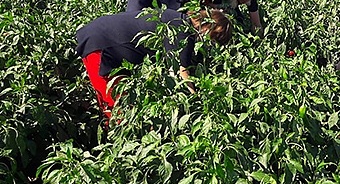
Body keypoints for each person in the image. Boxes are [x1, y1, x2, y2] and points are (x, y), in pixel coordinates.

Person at [76, 8, 232, 120]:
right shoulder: (183, 33)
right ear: (206, 27)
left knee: (122, 104)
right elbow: (180, 74)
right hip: (101, 46)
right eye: (213, 38)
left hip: (101, 36)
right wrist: (196, 108)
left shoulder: (176, 18)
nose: (208, 45)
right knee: (118, 111)